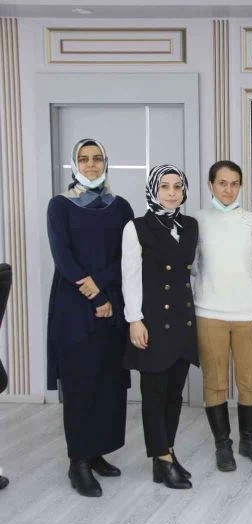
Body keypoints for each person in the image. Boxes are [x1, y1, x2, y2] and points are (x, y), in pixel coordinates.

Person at [46, 138, 133, 497]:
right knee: (80, 382)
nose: (91, 164)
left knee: (107, 381)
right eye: (84, 159)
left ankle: (97, 452)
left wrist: (105, 291)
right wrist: (96, 295)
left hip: (113, 301)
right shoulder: (60, 205)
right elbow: (62, 256)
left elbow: (129, 256)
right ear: (75, 164)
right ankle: (78, 462)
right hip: (75, 305)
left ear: (105, 162)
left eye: (97, 158)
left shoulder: (120, 206)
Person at [193, 160, 252, 472]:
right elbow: (192, 268)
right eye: (222, 183)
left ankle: (248, 441)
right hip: (209, 314)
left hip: (248, 316)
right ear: (211, 185)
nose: (228, 189)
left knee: (250, 382)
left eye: (234, 183)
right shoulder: (197, 221)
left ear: (241, 186)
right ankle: (222, 445)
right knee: (214, 383)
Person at [122, 164, 198, 489]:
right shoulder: (136, 227)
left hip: (183, 320)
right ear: (154, 190)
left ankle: (165, 454)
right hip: (152, 321)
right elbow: (129, 277)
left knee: (175, 394)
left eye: (177, 186)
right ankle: (163, 459)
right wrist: (134, 319)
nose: (171, 193)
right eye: (164, 186)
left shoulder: (190, 226)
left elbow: (193, 273)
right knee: (154, 394)